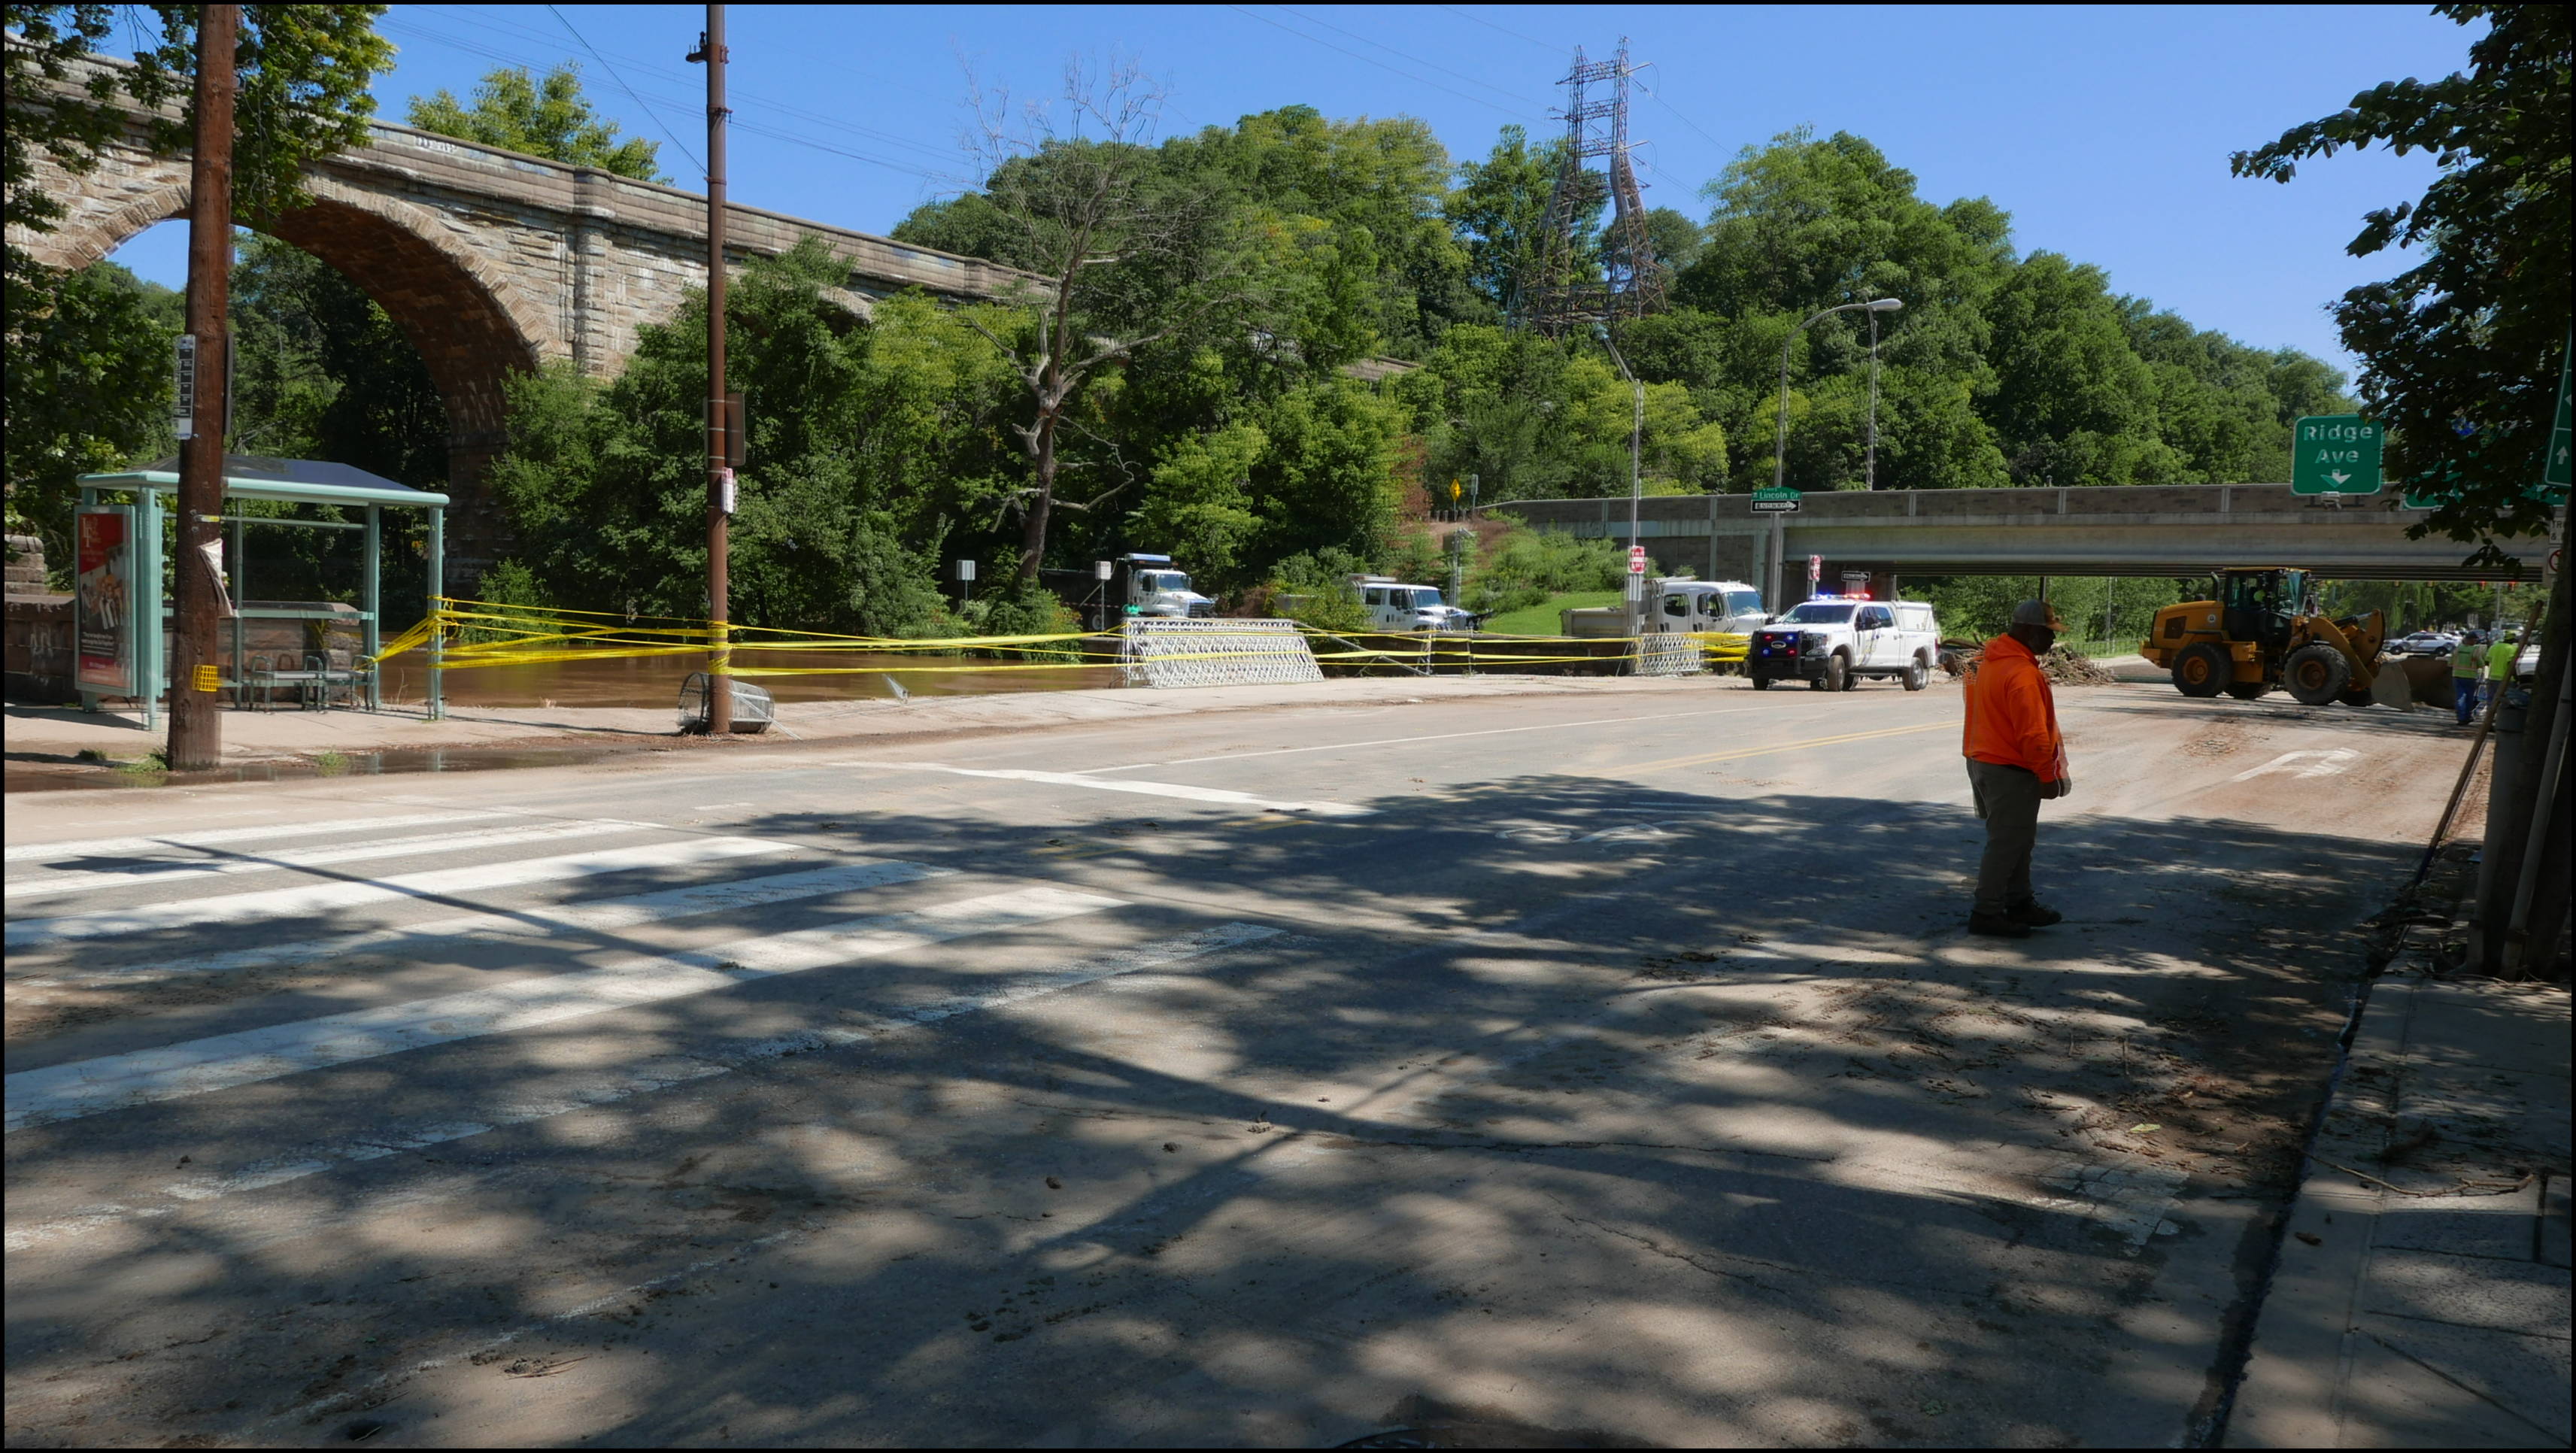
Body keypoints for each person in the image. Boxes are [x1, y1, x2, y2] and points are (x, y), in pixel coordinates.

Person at [1961, 599, 2070, 938]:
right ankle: (1986, 912)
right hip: (2009, 767)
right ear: (2028, 631)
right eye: (2047, 634)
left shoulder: (1987, 662)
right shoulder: (2021, 674)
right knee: (2007, 843)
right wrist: (2047, 777)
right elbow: (2033, 734)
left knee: (2017, 839)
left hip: (1983, 760)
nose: (2052, 641)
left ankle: (2019, 902)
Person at [2453, 629, 2485, 726]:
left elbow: (2450, 662)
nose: (2475, 642)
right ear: (2471, 640)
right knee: (2469, 698)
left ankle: (2461, 717)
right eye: (2475, 640)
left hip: (2457, 676)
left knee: (2460, 697)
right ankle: (2466, 717)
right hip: (2470, 677)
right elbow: (2481, 664)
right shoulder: (2475, 650)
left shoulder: (2458, 649)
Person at [2486, 628, 2523, 710]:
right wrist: (2516, 676)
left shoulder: (2494, 647)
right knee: (2507, 701)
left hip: (2493, 678)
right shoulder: (2512, 649)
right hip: (2507, 679)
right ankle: (2502, 719)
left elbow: (2487, 661)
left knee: (2492, 699)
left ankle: (2490, 717)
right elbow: (2510, 664)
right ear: (2512, 639)